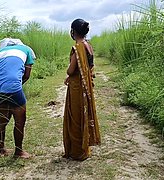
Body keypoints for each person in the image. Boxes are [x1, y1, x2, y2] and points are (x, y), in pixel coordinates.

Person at [0, 38, 36, 159]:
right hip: (14, 86)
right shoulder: (27, 50)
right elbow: (27, 75)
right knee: (20, 121)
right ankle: (18, 152)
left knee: (2, 120)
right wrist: (14, 85)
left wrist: (0, 87)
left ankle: (2, 150)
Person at [63, 19, 101, 161]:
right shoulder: (88, 46)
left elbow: (71, 69)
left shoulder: (77, 47)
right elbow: (87, 68)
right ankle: (84, 148)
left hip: (77, 88)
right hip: (87, 87)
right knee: (84, 114)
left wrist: (68, 74)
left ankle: (78, 152)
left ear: (73, 31)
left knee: (76, 118)